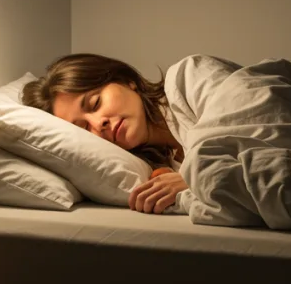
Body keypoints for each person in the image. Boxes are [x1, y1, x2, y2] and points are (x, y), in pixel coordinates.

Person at [21, 53, 188, 215]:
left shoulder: (188, 80)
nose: (98, 124)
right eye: (84, 128)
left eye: (95, 103)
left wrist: (189, 182)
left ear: (125, 81)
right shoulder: (163, 168)